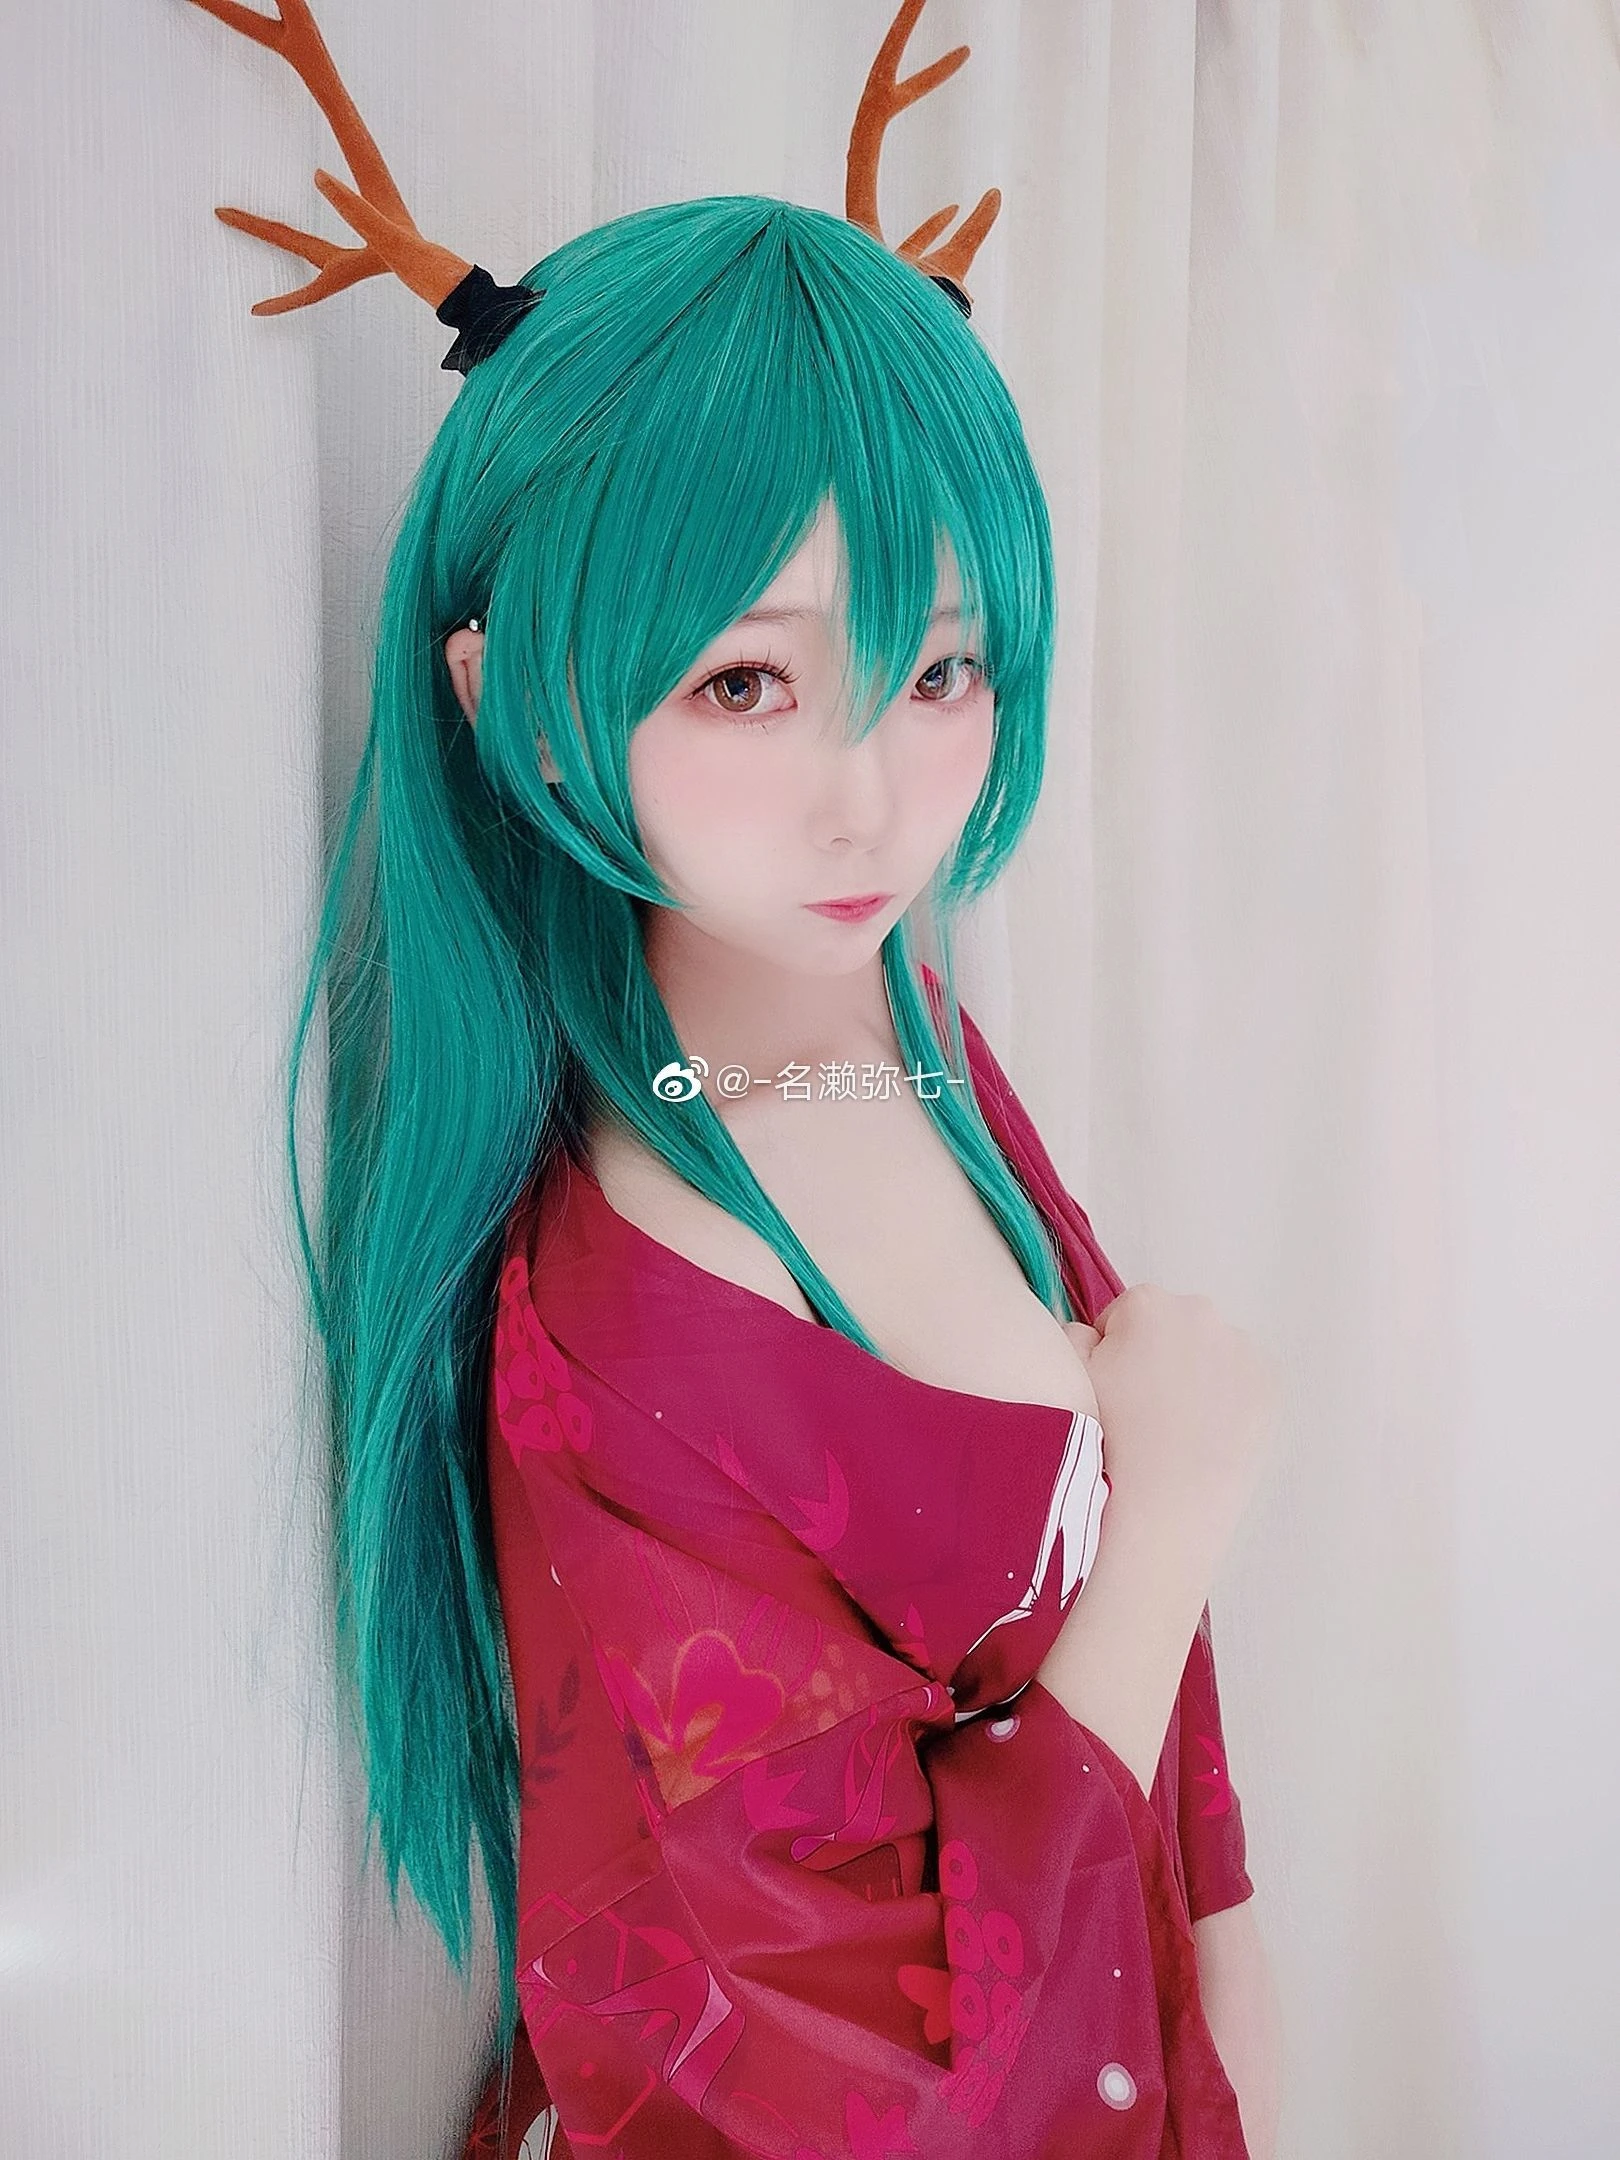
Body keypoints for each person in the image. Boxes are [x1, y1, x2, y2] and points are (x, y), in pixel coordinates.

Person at [184, 1, 1283, 2151]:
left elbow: (1157, 1762)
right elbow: (850, 2090)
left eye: (940, 666)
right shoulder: (643, 1327)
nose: (876, 800)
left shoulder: (884, 1029)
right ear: (517, 700)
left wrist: (1244, 2005)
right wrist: (1177, 1515)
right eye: (749, 683)